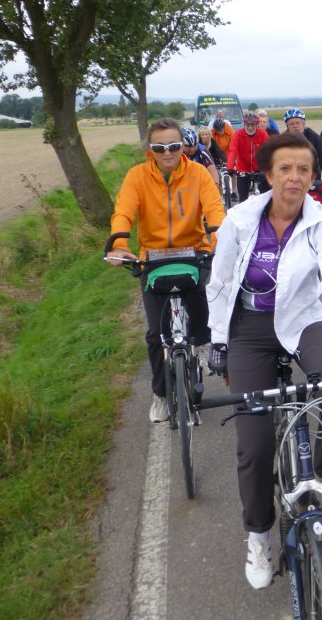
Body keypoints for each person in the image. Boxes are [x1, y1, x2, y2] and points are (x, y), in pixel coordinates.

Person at [206, 132, 322, 590]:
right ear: (268, 175)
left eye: (303, 169)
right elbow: (222, 281)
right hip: (250, 329)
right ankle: (259, 535)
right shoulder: (240, 219)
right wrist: (218, 339)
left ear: (313, 177)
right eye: (285, 168)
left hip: (306, 319)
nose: (294, 176)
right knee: (254, 442)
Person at [105, 118, 225, 423]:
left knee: (202, 324)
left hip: (193, 252)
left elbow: (214, 209)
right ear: (151, 150)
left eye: (174, 146)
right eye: (160, 147)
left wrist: (218, 240)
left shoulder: (197, 173)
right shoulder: (137, 177)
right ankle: (160, 394)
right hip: (153, 258)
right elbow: (123, 210)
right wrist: (119, 242)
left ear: (182, 146)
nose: (168, 152)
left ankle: (195, 352)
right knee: (155, 334)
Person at [228, 110, 269, 203]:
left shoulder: (262, 134)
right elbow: (232, 150)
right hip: (243, 168)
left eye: (253, 125)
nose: (250, 128)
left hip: (259, 167)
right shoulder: (238, 134)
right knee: (243, 199)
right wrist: (230, 167)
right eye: (247, 125)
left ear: (257, 125)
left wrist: (269, 166)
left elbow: (269, 150)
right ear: (244, 125)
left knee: (265, 196)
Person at [283, 109, 322, 182]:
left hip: (311, 177)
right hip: (291, 178)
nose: (295, 126)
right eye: (291, 124)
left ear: (303, 123)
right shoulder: (282, 140)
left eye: (297, 123)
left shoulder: (314, 137)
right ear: (287, 126)